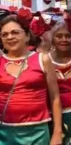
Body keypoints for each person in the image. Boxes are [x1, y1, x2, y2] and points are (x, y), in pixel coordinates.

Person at [0, 15, 62, 144]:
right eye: (4, 34)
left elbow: (55, 97)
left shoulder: (43, 59)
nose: (10, 37)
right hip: (4, 133)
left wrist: (57, 132)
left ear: (27, 36)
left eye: (15, 32)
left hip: (37, 133)